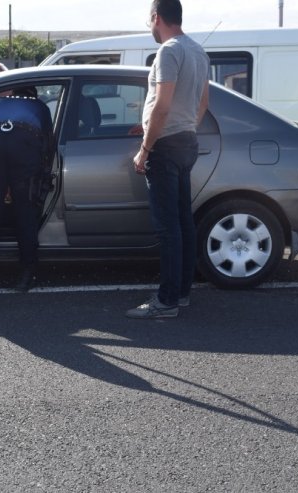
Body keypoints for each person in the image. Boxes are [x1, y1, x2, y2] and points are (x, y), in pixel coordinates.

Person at [126, 0, 210, 319]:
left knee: (168, 228)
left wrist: (145, 148)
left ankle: (166, 302)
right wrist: (182, 125)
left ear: (156, 18)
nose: (150, 27)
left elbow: (162, 104)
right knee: (183, 222)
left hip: (165, 146)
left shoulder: (169, 51)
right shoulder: (198, 51)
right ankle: (181, 293)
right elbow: (203, 102)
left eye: (149, 22)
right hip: (187, 140)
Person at [0, 86, 53, 295]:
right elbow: (49, 144)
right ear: (33, 95)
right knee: (25, 210)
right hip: (25, 143)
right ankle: (25, 276)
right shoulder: (39, 106)